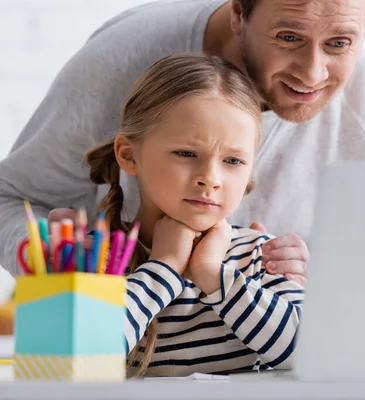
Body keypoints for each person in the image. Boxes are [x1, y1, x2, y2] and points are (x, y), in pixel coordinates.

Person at [0, 0, 365, 279]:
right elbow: (9, 197)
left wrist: (312, 282)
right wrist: (46, 261)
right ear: (239, 12)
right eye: (288, 37)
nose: (312, 73)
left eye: (340, 43)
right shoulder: (122, 62)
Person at [87, 53, 303, 377]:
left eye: (233, 161)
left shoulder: (263, 256)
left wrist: (212, 275)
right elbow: (80, 359)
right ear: (129, 155)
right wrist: (163, 268)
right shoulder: (97, 258)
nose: (210, 178)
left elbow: (308, 355)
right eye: (186, 153)